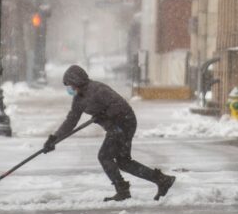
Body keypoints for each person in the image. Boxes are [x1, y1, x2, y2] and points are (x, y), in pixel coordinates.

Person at [43, 64, 175, 202]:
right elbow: (70, 121)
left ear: (77, 81)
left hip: (123, 123)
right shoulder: (78, 99)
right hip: (115, 127)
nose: (70, 89)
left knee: (104, 156)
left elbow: (119, 105)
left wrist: (105, 114)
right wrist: (54, 139)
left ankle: (123, 190)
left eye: (70, 85)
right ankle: (162, 180)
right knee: (123, 162)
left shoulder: (98, 89)